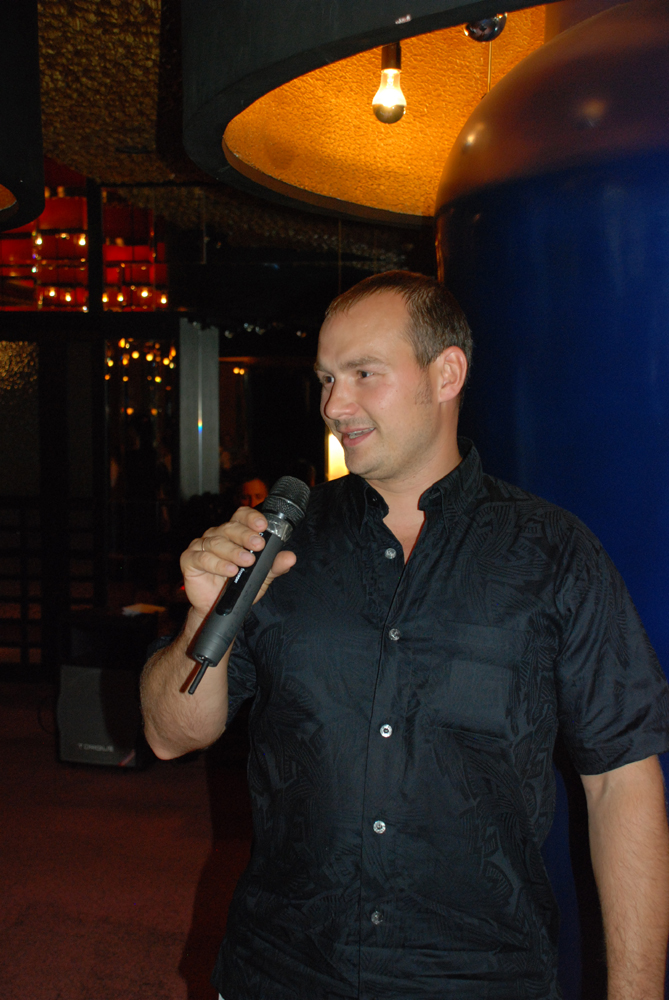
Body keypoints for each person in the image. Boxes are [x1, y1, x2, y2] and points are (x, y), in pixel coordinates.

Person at [141, 271, 669, 1000]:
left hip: (481, 980)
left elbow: (621, 781)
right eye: (326, 378)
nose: (334, 405)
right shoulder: (277, 545)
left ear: (446, 372)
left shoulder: (552, 553)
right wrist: (205, 619)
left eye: (363, 373)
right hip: (284, 971)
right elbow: (170, 735)